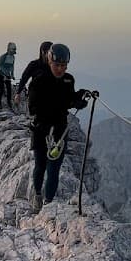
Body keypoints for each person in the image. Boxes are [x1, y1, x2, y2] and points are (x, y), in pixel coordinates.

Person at [25, 42, 90, 210]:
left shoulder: (68, 80)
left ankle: (48, 203)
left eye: (64, 65)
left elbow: (68, 99)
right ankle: (37, 194)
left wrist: (79, 98)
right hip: (41, 128)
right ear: (49, 61)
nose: (61, 69)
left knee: (54, 168)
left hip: (59, 129)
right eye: (57, 65)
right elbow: (32, 106)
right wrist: (62, 104)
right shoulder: (39, 80)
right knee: (40, 165)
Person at [14, 41, 52, 110]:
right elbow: (24, 78)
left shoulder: (54, 66)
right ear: (43, 52)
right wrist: (18, 93)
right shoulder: (34, 65)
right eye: (49, 52)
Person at [0, 42, 17, 110]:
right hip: (0, 74)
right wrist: (6, 74)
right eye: (13, 49)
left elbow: (12, 66)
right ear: (9, 49)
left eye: (15, 49)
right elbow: (1, 66)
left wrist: (12, 75)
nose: (14, 51)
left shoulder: (13, 57)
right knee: (2, 89)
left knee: (9, 90)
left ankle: (9, 103)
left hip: (7, 75)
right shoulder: (3, 56)